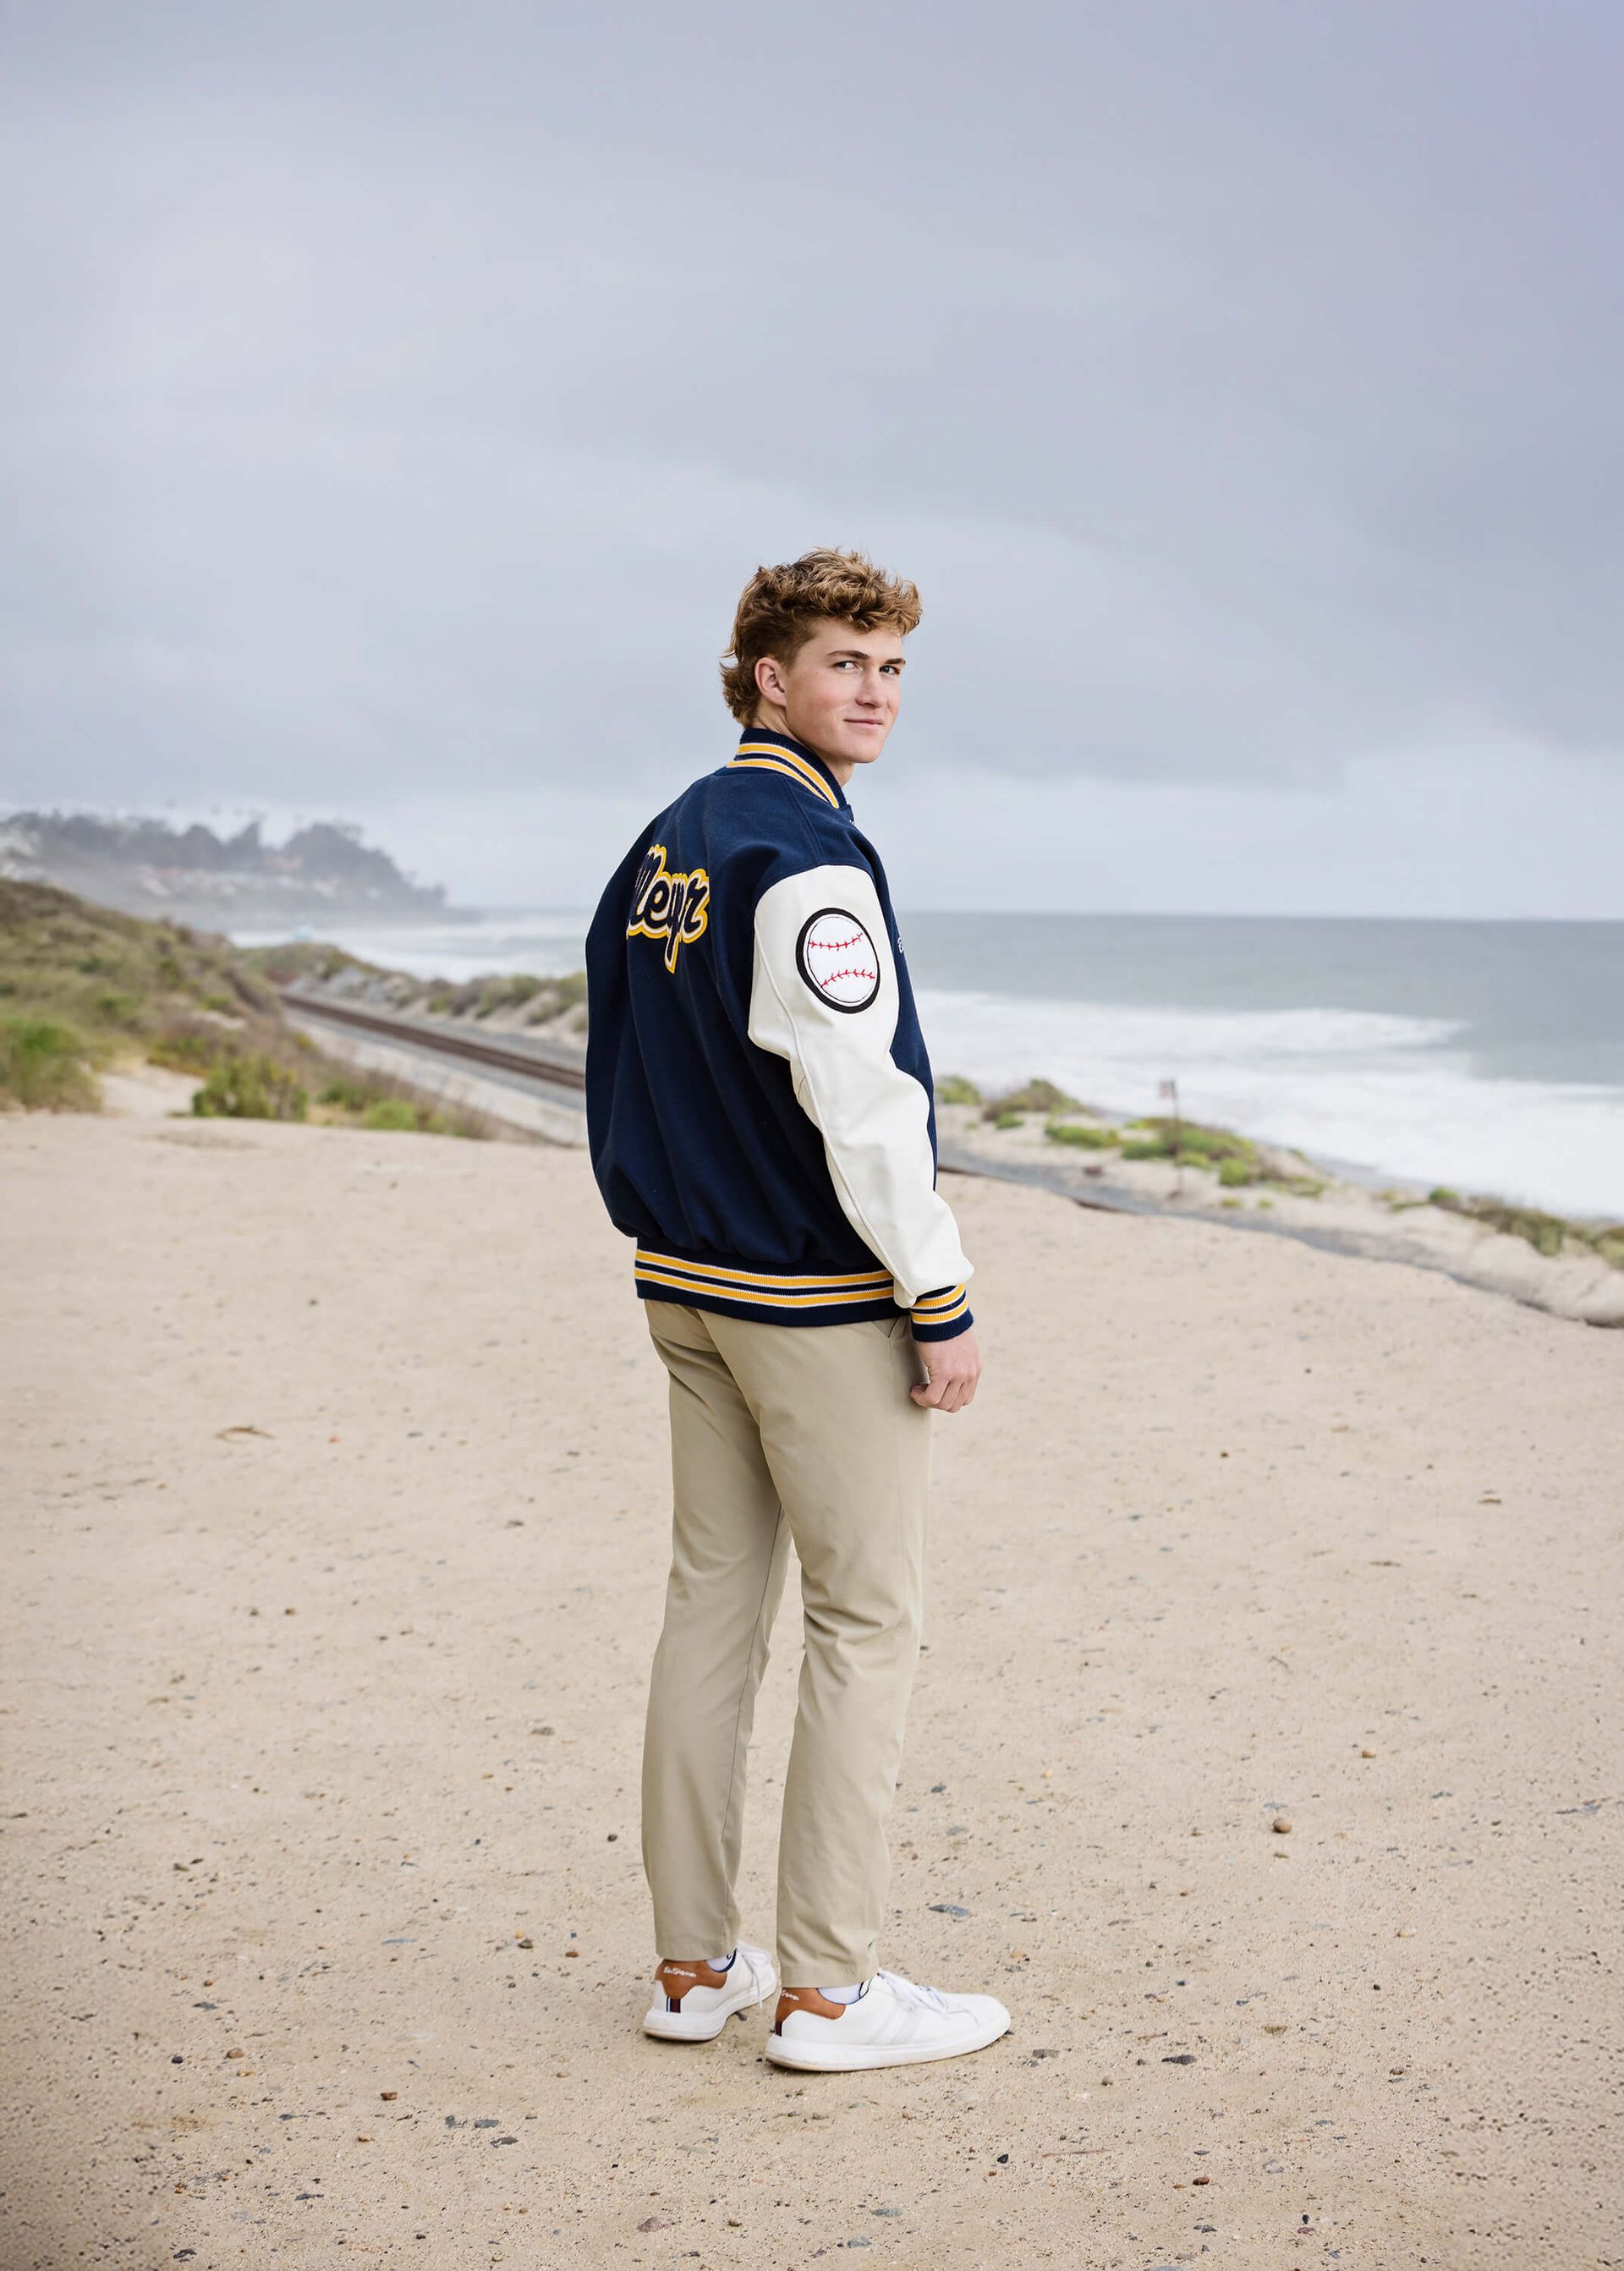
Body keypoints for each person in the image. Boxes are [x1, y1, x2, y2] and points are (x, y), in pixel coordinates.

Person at [584, 548, 1010, 2071]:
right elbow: (865, 1103)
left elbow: (619, 1033)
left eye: (893, 667)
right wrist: (939, 1293)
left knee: (711, 1602)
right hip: (808, 1296)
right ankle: (830, 1987)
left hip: (686, 1280)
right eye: (847, 663)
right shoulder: (806, 861)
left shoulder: (669, 839)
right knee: (866, 1615)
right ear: (771, 675)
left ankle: (695, 1966)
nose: (876, 693)